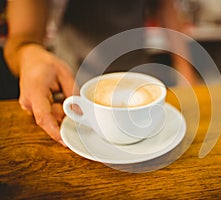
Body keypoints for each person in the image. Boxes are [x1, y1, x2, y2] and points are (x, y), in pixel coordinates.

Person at [4, 0, 198, 146]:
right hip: (72, 89)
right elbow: (22, 38)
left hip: (138, 76)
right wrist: (29, 54)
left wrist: (185, 69)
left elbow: (164, 6)